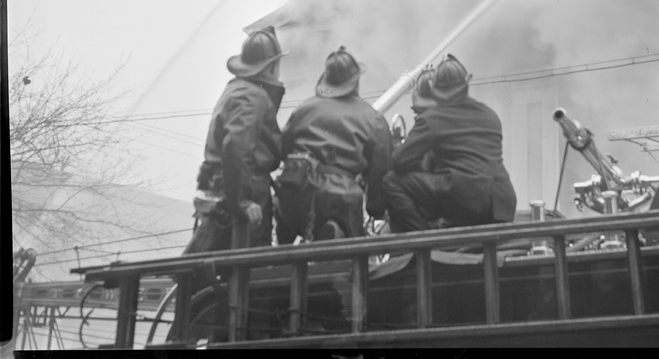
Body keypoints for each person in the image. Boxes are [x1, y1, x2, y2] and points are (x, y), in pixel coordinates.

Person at [382, 54, 517, 232]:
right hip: (501, 205)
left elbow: (399, 161)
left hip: (465, 199)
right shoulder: (490, 115)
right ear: (466, 82)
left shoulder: (433, 119)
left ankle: (424, 241)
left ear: (434, 88)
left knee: (391, 181)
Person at [185, 26, 287, 255]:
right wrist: (242, 202)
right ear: (271, 66)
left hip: (226, 188)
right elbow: (236, 147)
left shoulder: (236, 89)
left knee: (213, 262)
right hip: (245, 191)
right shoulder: (252, 96)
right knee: (250, 264)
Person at [276, 46, 392, 241]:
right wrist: (376, 208)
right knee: (355, 253)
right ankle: (335, 233)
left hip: (295, 190)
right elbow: (381, 166)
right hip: (340, 198)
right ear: (356, 82)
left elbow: (283, 149)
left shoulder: (304, 109)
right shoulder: (373, 119)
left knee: (285, 227)